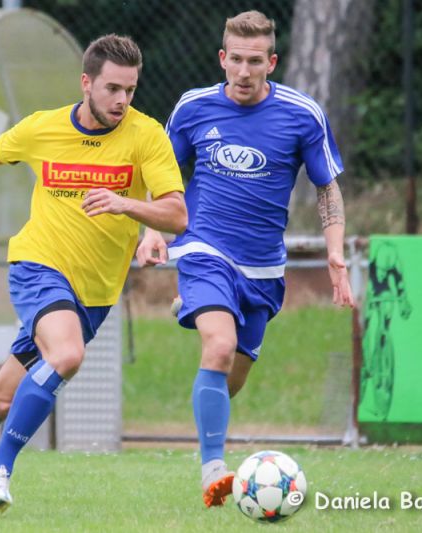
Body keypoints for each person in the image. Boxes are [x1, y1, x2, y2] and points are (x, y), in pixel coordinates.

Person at [0, 34, 187, 515]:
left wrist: (128, 207)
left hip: (94, 293)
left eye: (130, 90)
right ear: (86, 82)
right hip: (38, 266)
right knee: (67, 354)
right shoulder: (43, 128)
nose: (122, 100)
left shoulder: (146, 135)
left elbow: (176, 214)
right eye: (112, 88)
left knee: (0, 400)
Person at [136, 10, 356, 507]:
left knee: (230, 378)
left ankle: (196, 308)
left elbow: (327, 189)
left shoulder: (302, 114)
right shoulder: (193, 108)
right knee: (218, 347)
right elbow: (161, 176)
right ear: (222, 58)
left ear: (271, 63)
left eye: (255, 61)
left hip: (264, 268)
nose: (243, 71)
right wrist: (152, 230)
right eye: (235, 59)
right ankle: (213, 471)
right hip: (204, 247)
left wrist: (335, 253)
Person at [360, 240, 411, 419]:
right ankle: (364, 356)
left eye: (386, 271)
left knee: (386, 315)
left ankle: (382, 343)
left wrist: (404, 303)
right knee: (365, 320)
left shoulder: (395, 268)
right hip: (371, 291)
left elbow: (401, 289)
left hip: (385, 293)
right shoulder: (370, 267)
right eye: (381, 270)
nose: (382, 273)